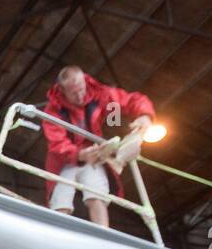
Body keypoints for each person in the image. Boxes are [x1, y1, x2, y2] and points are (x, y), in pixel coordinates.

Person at [42, 64, 155, 228]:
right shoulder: (53, 110)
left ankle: (102, 232)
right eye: (74, 93)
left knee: (96, 194)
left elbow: (130, 100)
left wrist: (145, 116)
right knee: (61, 199)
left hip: (94, 157)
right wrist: (80, 154)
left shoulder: (100, 95)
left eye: (81, 89)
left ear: (85, 83)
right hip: (64, 162)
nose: (80, 95)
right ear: (62, 90)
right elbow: (57, 143)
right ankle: (56, 232)